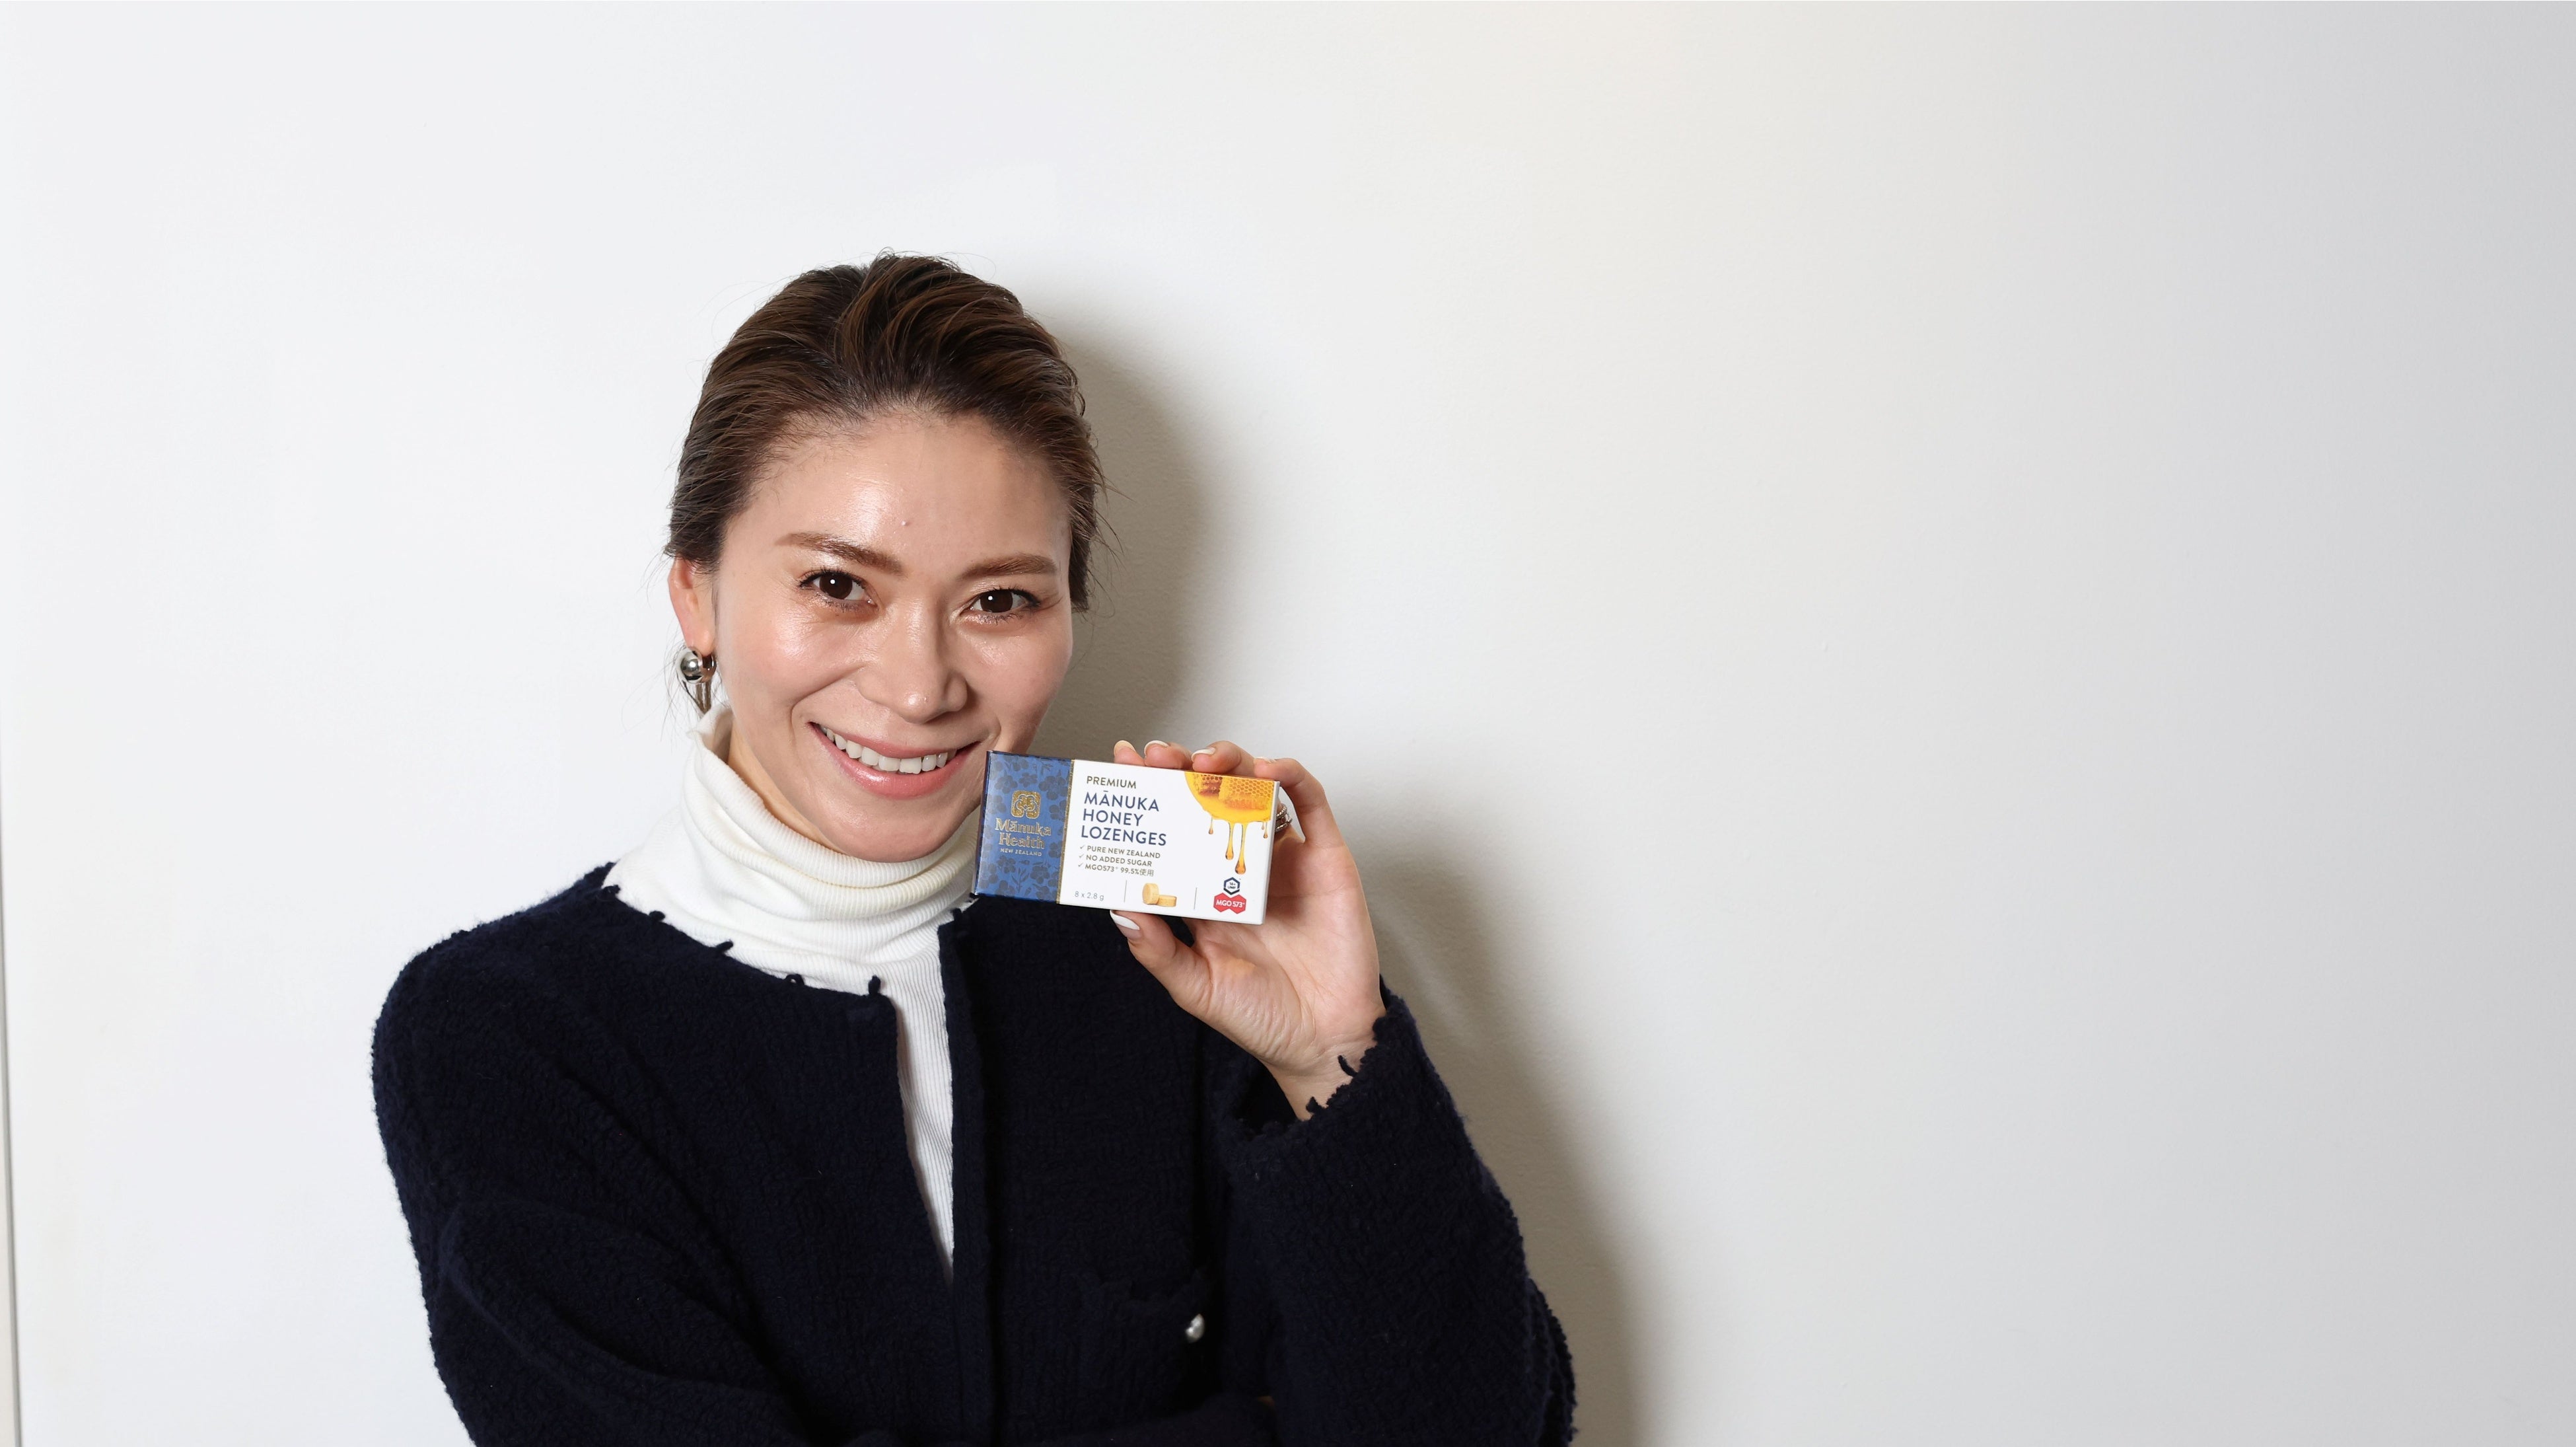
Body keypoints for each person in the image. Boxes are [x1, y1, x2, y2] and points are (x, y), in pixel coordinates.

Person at [371, 255, 1574, 1447]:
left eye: (999, 600)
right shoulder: (505, 1033)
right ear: (698, 596)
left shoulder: (1183, 939)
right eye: (837, 584)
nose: (920, 685)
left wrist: (1331, 1056)